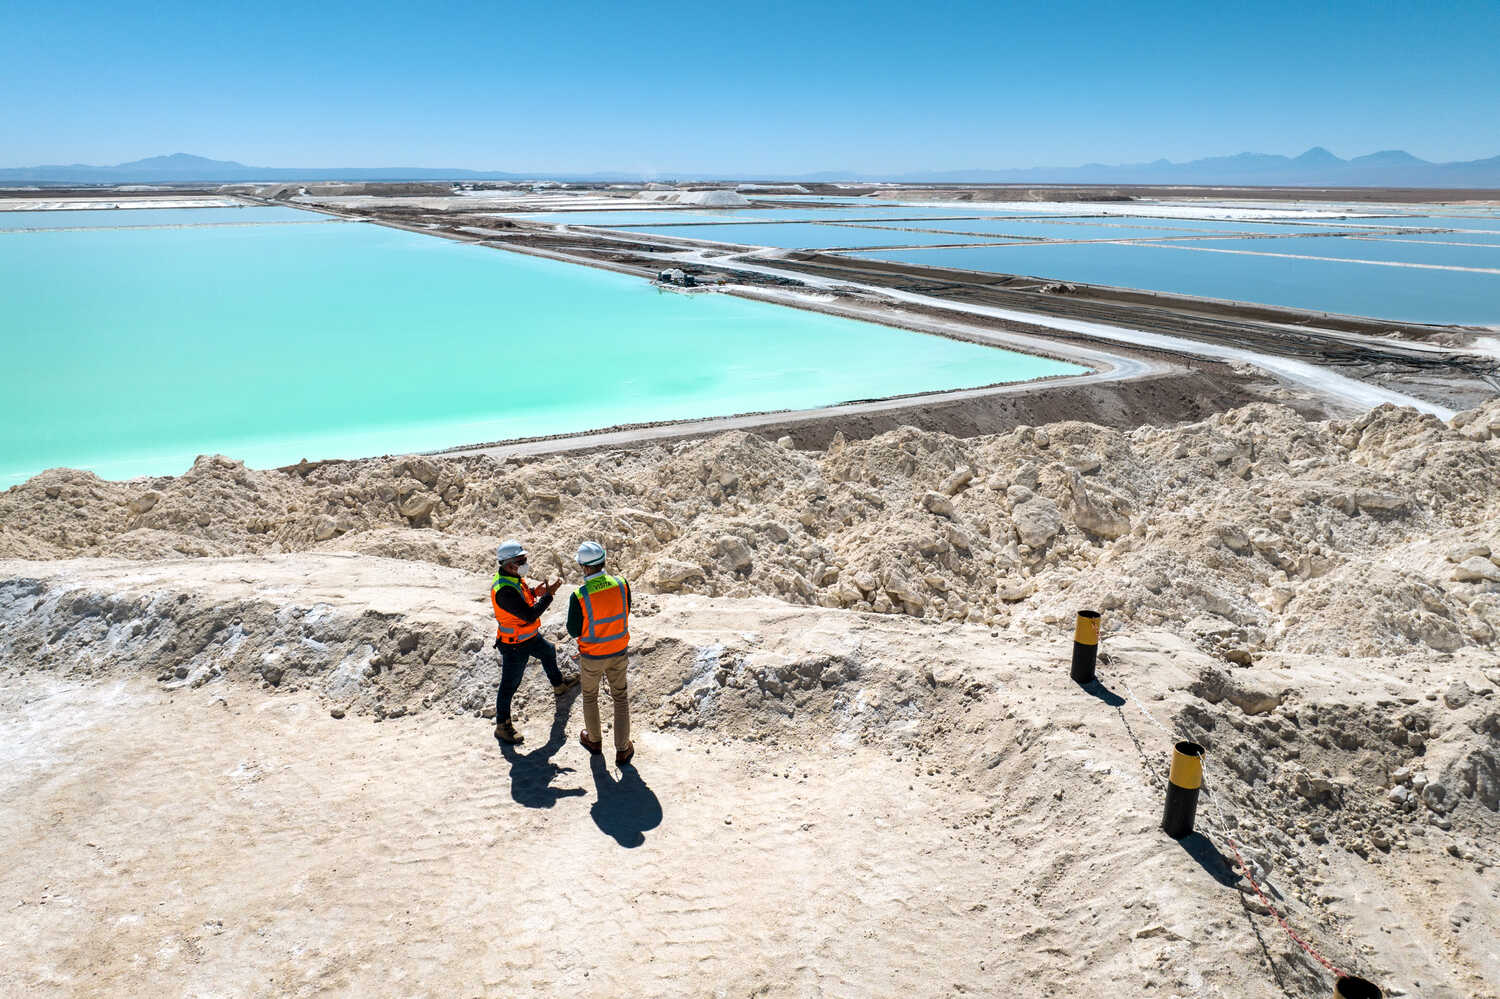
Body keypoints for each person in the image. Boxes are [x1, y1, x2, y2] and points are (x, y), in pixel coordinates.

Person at [490, 538, 578, 745]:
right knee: (509, 685)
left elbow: (523, 598)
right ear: (508, 563)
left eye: (524, 559)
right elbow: (529, 615)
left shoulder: (513, 580)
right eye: (521, 561)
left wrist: (534, 592)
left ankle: (559, 685)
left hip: (528, 637)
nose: (524, 564)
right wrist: (548, 597)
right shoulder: (504, 590)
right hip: (514, 645)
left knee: (548, 652)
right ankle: (502, 726)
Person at [566, 541, 635, 766]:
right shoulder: (621, 584)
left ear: (585, 567)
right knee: (620, 698)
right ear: (603, 561)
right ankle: (623, 749)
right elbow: (627, 609)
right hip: (618, 650)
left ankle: (594, 741)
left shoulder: (579, 595)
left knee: (590, 696)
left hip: (592, 655)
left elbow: (573, 629)